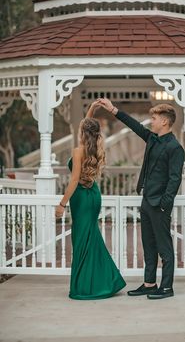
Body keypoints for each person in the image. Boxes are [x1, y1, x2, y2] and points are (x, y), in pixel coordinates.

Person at [98, 98, 185, 300]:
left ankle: (166, 287)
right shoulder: (152, 139)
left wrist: (165, 203)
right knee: (148, 245)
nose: (150, 121)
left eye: (154, 118)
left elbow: (175, 179)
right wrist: (114, 110)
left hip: (160, 205)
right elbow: (134, 126)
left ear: (165, 121)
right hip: (146, 201)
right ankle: (149, 283)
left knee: (164, 247)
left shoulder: (175, 147)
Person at [55, 101, 126, 300]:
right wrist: (93, 108)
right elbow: (86, 124)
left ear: (82, 132)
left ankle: (86, 287)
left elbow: (74, 180)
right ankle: (104, 281)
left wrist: (61, 204)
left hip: (81, 197)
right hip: (93, 195)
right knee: (89, 238)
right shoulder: (94, 147)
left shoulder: (78, 152)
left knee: (82, 241)